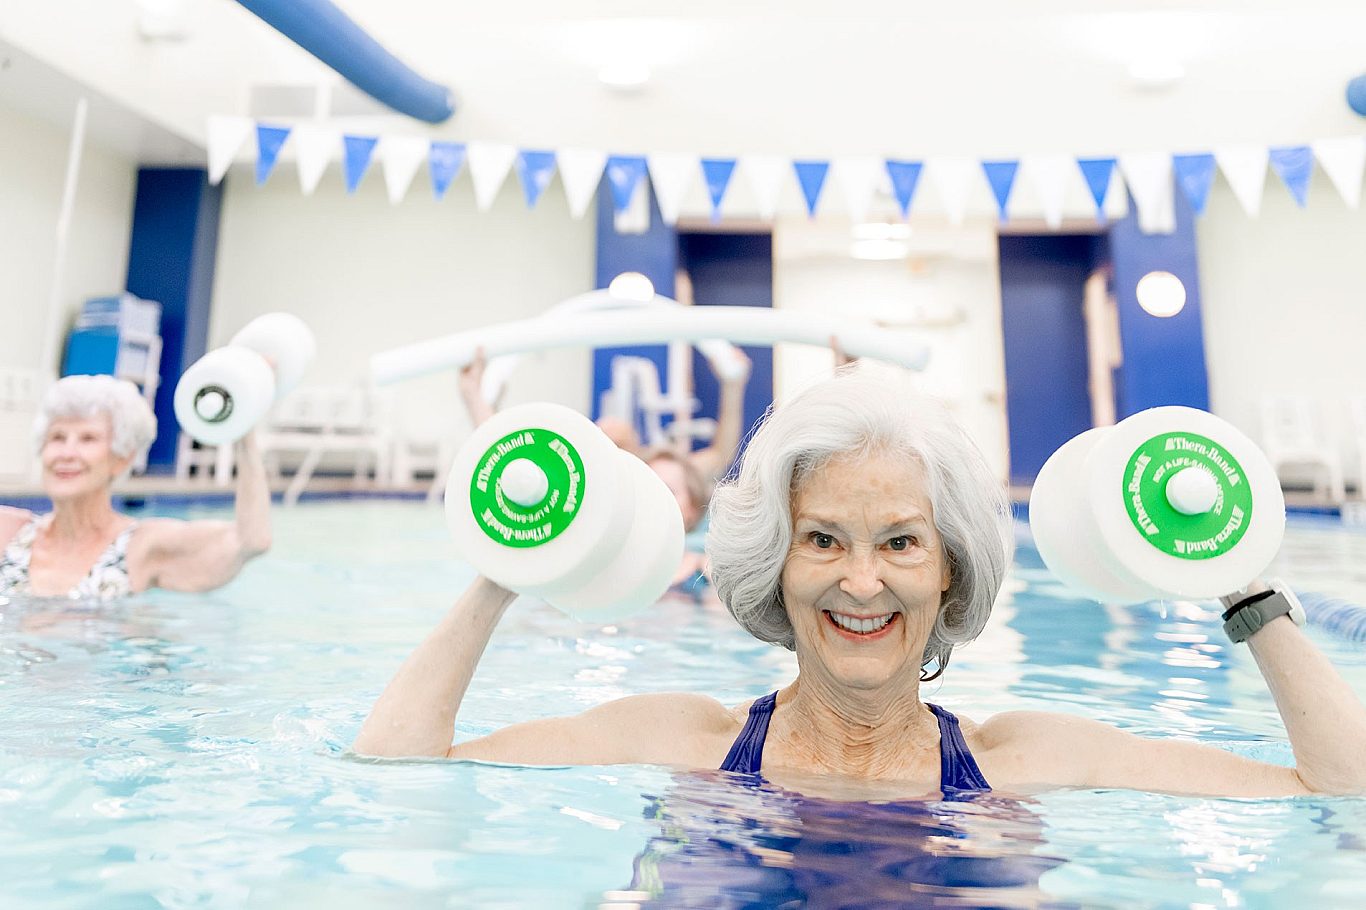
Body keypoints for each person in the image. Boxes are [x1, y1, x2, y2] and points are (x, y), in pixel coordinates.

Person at [356, 366, 1366, 798]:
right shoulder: (687, 740)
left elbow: (1341, 792)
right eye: (823, 540)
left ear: (950, 570)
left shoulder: (1024, 758)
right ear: (776, 564)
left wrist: (1243, 584)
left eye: (901, 543)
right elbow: (396, 764)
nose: (862, 581)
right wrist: (508, 569)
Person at [0, 375, 273, 599]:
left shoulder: (140, 547)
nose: (67, 453)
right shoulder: (9, 532)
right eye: (57, 438)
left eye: (88, 439)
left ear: (122, 458)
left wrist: (244, 423)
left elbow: (251, 540)